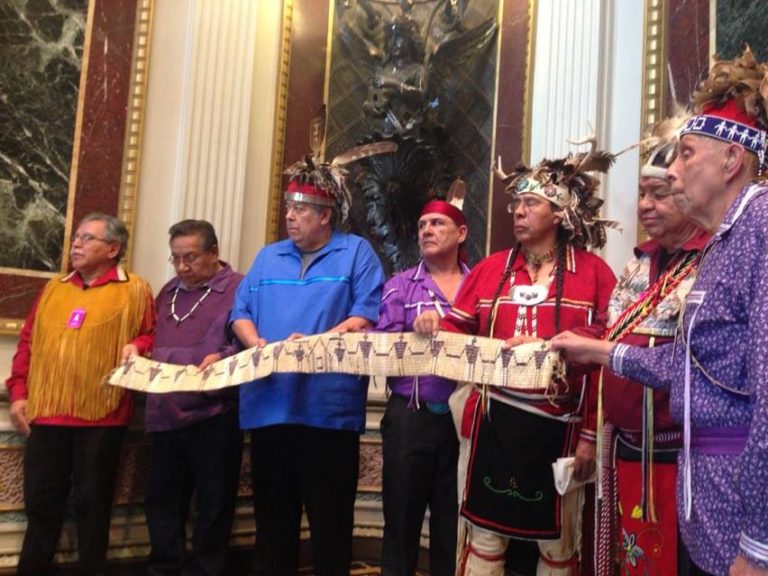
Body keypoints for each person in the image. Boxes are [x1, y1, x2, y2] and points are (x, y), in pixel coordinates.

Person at [552, 48, 768, 576]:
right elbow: (692, 369)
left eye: (686, 153)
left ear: (731, 161)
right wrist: (601, 351)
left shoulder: (761, 227)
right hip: (709, 506)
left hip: (739, 513)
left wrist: (759, 547)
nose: (673, 170)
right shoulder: (724, 242)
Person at [416, 146, 617, 575]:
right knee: (484, 542)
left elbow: (609, 361)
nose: (519, 212)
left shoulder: (595, 275)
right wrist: (434, 325)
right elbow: (457, 334)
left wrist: (589, 436)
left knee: (558, 549)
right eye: (516, 203)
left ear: (560, 213)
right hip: (491, 427)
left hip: (562, 431)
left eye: (531, 203)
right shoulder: (491, 270)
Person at [230, 155, 385, 576]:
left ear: (325, 215)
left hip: (328, 412)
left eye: (300, 210)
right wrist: (257, 342)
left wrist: (316, 344)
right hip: (269, 407)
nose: (290, 217)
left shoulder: (356, 253)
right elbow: (240, 311)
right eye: (288, 209)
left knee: (330, 524)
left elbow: (366, 316)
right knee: (273, 523)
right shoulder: (267, 257)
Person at [4, 213, 155, 575]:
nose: (76, 244)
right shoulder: (55, 288)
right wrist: (19, 393)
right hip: (47, 413)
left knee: (93, 505)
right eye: (76, 237)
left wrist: (137, 345)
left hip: (102, 417)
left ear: (113, 249)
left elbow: (150, 335)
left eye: (88, 238)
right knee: (41, 504)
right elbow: (28, 343)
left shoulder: (134, 289)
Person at [592, 119, 709, 576]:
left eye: (658, 195)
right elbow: (610, 336)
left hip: (681, 456)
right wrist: (553, 344)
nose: (645, 206)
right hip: (627, 449)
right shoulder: (640, 262)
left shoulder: (711, 259)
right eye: (641, 194)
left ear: (685, 195)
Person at [376, 199, 470, 576]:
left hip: (464, 420)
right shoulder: (400, 285)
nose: (426, 231)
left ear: (461, 233)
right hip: (409, 418)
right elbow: (380, 345)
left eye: (436, 223)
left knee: (453, 522)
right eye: (421, 226)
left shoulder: (478, 283)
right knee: (400, 521)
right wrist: (410, 333)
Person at [145, 219, 243, 576]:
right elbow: (148, 338)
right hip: (165, 411)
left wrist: (224, 357)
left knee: (214, 502)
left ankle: (205, 569)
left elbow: (249, 344)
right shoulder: (168, 292)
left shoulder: (239, 288)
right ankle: (164, 566)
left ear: (213, 252)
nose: (183, 267)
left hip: (214, 413)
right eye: (176, 259)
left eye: (191, 257)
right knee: (162, 499)